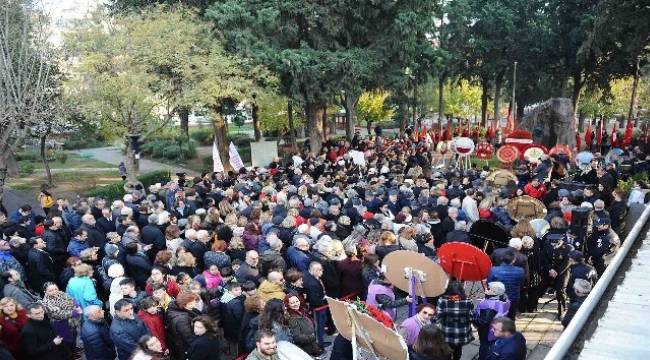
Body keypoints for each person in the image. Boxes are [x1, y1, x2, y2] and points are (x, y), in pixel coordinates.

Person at [435, 280, 475, 360]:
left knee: (446, 351)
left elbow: (437, 318)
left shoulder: (442, 301)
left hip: (447, 332)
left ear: (448, 290)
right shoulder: (468, 301)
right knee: (458, 350)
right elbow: (472, 317)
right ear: (461, 290)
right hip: (462, 332)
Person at [475, 282, 511, 360]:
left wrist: (472, 318)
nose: (485, 288)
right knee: (492, 344)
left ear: (494, 292)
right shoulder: (503, 300)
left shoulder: (489, 305)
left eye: (488, 288)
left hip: (487, 331)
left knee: (484, 345)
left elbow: (483, 322)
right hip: (496, 328)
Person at [487, 250, 524, 320]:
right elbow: (521, 283)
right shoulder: (520, 271)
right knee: (511, 319)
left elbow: (489, 284)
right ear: (514, 260)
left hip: (498, 299)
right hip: (513, 299)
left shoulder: (494, 270)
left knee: (497, 319)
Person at [41, 282, 79, 348]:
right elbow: (58, 314)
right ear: (45, 292)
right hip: (61, 323)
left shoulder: (61, 293)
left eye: (55, 289)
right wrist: (72, 312)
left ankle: (74, 348)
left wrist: (75, 303)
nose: (54, 291)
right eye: (50, 290)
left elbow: (70, 299)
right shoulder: (46, 302)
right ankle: (71, 353)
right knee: (66, 340)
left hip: (71, 320)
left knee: (74, 334)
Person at [165, 292, 201, 359]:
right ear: (184, 304)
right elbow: (189, 338)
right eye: (191, 303)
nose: (194, 305)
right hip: (184, 348)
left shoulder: (173, 307)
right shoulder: (182, 320)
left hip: (177, 344)